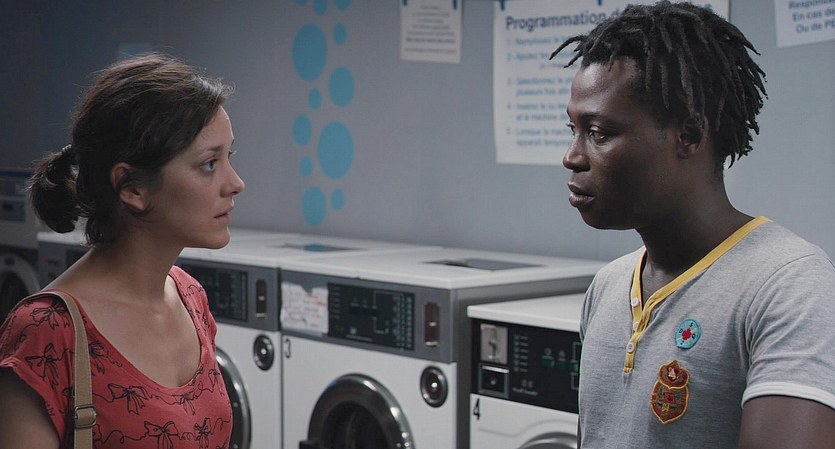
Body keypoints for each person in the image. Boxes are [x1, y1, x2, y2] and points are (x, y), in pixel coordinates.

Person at [550, 2, 835, 448]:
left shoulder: (790, 286)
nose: (572, 156)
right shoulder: (608, 286)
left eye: (599, 132)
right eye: (573, 129)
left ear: (690, 135)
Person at [0, 53, 245, 448]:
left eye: (228, 157)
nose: (235, 183)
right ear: (132, 189)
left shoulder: (190, 296)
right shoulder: (48, 331)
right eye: (209, 164)